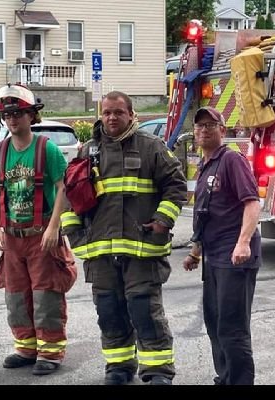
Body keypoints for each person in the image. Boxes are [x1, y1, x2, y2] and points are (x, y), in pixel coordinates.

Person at [60, 91, 187, 385]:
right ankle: (118, 367)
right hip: (100, 252)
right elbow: (69, 198)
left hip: (142, 249)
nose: (112, 118)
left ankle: (158, 371)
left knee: (144, 310)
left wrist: (162, 220)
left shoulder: (151, 147)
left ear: (131, 114)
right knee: (109, 311)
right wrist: (76, 235)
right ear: (100, 115)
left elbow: (176, 186)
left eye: (118, 112)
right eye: (107, 113)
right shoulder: (87, 152)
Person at [0, 83, 77, 376]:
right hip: (13, 238)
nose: (13, 120)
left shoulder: (45, 148)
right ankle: (25, 348)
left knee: (46, 295)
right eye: (8, 114)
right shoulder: (0, 151)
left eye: (19, 113)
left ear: (31, 116)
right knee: (15, 295)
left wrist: (53, 228)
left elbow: (64, 188)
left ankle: (50, 352)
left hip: (42, 236)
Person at [182, 106, 261, 385]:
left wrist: (243, 243)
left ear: (223, 131)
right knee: (215, 324)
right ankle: (225, 378)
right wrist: (195, 252)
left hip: (234, 258)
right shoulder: (206, 165)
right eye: (199, 125)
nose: (203, 130)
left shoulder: (231, 160)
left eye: (210, 125)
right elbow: (208, 214)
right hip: (213, 257)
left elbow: (252, 203)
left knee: (232, 327)